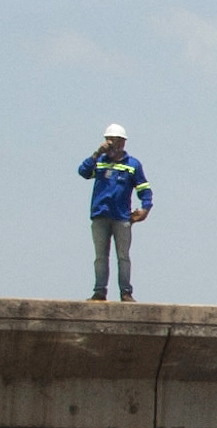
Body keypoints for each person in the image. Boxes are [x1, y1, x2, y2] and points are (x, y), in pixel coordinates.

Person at [78, 124, 152, 302]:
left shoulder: (132, 165)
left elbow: (144, 189)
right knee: (101, 257)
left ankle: (126, 292)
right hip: (100, 216)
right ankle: (99, 292)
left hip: (121, 217)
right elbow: (83, 171)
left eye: (115, 141)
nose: (111, 145)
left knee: (123, 257)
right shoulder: (100, 162)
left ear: (123, 143)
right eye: (108, 141)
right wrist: (96, 154)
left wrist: (145, 208)